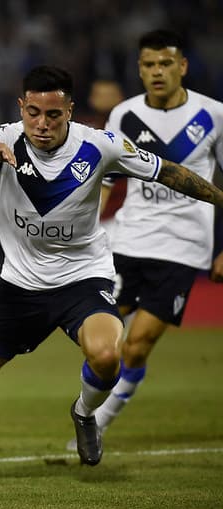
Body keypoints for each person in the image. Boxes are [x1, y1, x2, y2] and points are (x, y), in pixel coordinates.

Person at [0, 65, 223, 481]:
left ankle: (84, 412)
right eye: (33, 112)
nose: (42, 124)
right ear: (21, 107)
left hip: (82, 279)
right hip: (19, 286)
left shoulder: (102, 146)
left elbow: (169, 172)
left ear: (70, 111)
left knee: (109, 354)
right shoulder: (4, 138)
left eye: (53, 115)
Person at [84, 29, 223, 440]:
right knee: (102, 335)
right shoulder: (124, 114)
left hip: (184, 246)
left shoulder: (213, 114)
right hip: (129, 239)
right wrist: (84, 228)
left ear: (182, 66)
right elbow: (105, 180)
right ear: (140, 70)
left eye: (166, 63)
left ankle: (97, 423)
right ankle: (85, 405)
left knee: (138, 343)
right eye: (149, 65)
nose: (157, 72)